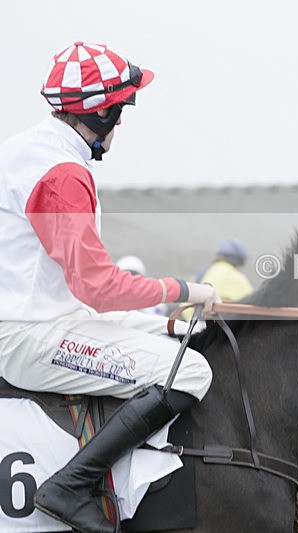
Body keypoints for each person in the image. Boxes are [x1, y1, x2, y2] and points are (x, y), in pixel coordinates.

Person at [0, 42, 221, 533]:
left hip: (42, 315)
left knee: (168, 337)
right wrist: (185, 288)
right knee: (190, 372)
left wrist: (163, 319)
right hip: (27, 335)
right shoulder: (62, 174)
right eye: (120, 112)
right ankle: (69, 487)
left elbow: (79, 294)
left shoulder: (25, 149)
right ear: (101, 114)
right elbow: (97, 286)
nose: (120, 124)